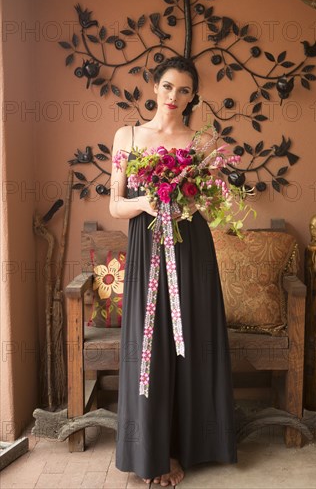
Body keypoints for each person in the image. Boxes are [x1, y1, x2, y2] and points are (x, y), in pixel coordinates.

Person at [110, 56, 238, 487]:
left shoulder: (203, 142)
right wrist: (147, 203)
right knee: (152, 345)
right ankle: (153, 452)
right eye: (167, 86)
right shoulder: (126, 137)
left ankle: (189, 447)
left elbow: (210, 205)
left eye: (184, 90)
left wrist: (186, 202)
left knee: (192, 343)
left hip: (189, 249)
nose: (173, 97)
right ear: (153, 87)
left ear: (192, 96)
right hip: (146, 246)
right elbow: (114, 205)